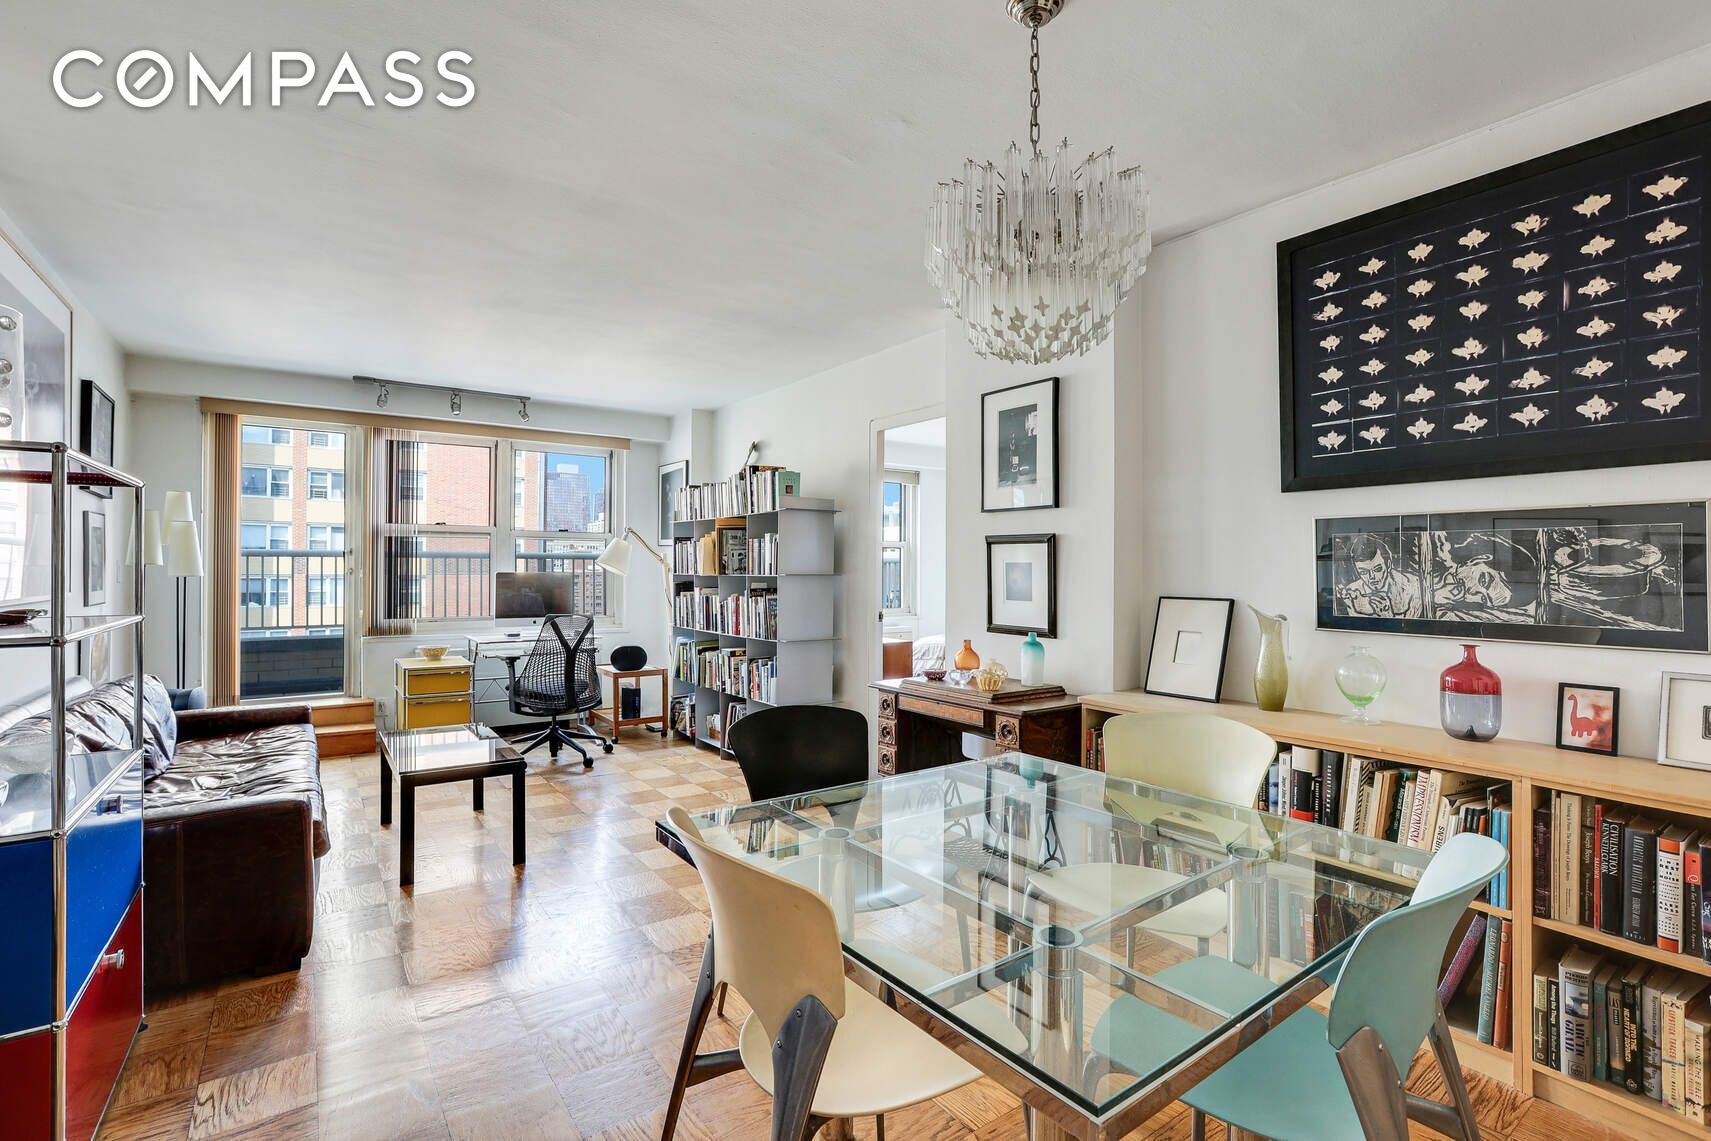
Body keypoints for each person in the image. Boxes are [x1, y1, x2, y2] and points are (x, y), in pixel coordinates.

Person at [1337, 534, 1423, 617]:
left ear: (1388, 564)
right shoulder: (1352, 592)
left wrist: (1386, 614)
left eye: (1377, 569)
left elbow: (1411, 623)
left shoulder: (1412, 585)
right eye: (1364, 572)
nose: (1371, 577)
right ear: (1357, 571)